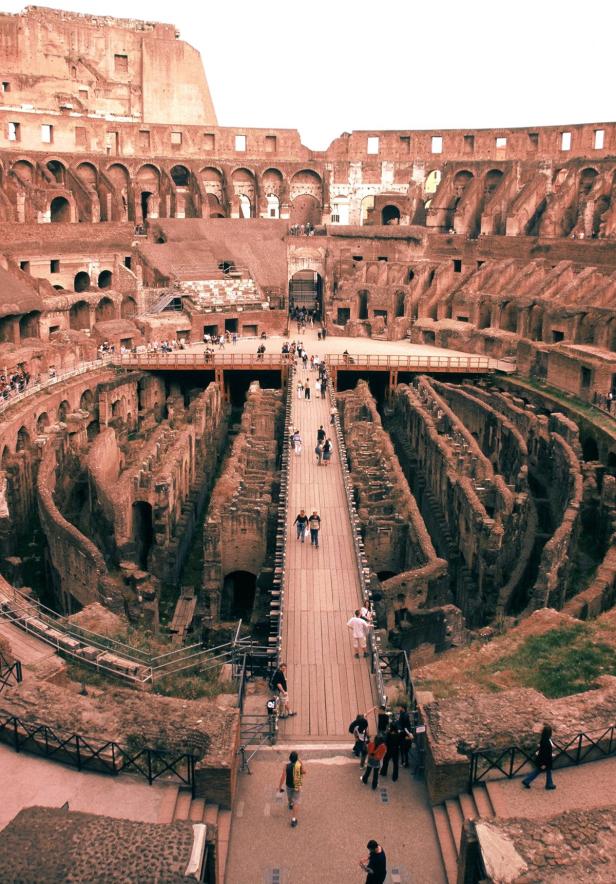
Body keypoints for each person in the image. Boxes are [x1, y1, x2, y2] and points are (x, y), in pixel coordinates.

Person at [522, 724, 556, 790]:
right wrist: (544, 763)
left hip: (542, 759)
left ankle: (549, 784)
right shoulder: (547, 742)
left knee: (543, 771)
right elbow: (545, 754)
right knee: (541, 771)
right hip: (545, 760)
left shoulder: (543, 740)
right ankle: (548, 784)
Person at [279, 750, 305, 828]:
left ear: (290, 758)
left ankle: (290, 804)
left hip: (289, 786)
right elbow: (303, 772)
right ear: (297, 759)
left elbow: (283, 777)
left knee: (289, 798)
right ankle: (293, 820)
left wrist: (279, 787)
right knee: (296, 802)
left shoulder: (286, 766)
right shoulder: (298, 765)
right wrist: (301, 763)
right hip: (297, 786)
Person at [397, 704, 414, 768]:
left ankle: (404, 762)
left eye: (400, 707)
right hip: (405, 734)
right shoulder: (404, 714)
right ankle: (404, 762)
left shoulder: (404, 715)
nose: (400, 708)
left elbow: (404, 725)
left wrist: (401, 730)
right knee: (404, 750)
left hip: (404, 734)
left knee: (404, 749)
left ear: (403, 708)